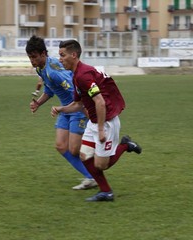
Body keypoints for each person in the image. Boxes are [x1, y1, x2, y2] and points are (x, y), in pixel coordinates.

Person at [51, 39, 142, 201]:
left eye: (62, 55)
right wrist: (61, 109)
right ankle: (106, 192)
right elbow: (78, 104)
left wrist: (100, 129)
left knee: (101, 165)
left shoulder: (83, 75)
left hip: (106, 123)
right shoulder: (76, 76)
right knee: (84, 156)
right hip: (94, 122)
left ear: (73, 55)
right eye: (59, 55)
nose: (60, 59)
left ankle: (125, 145)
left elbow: (99, 102)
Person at [26, 35, 97, 190]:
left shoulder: (54, 71)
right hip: (65, 109)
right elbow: (50, 90)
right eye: (30, 57)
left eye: (34, 57)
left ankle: (97, 162)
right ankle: (91, 177)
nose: (32, 61)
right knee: (60, 145)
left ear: (43, 54)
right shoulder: (41, 68)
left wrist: (85, 111)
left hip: (75, 108)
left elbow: (74, 90)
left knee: (74, 149)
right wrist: (38, 103)